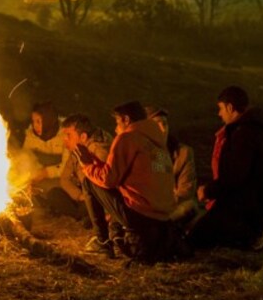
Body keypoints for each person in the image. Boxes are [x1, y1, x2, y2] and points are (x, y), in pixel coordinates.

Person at [77, 101, 178, 262]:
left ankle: (102, 241)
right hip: (162, 216)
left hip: (140, 212)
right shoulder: (157, 142)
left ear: (126, 120)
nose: (115, 129)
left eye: (117, 123)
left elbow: (108, 179)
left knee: (88, 181)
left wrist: (87, 165)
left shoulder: (127, 137)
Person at [188, 86, 263, 250]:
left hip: (243, 215)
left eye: (220, 109)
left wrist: (209, 190)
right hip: (252, 215)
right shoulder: (258, 133)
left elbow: (235, 177)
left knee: (194, 237)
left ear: (230, 107)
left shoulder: (244, 135)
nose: (219, 114)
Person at [56, 114, 117, 256]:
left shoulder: (100, 150)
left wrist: (109, 213)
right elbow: (64, 178)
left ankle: (102, 236)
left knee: (89, 184)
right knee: (55, 194)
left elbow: (112, 185)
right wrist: (80, 196)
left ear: (83, 137)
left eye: (68, 135)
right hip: (88, 198)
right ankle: (90, 217)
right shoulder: (77, 150)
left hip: (110, 204)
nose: (64, 140)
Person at [145, 107, 198, 225]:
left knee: (188, 208)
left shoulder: (183, 153)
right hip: (147, 210)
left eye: (165, 124)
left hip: (171, 208)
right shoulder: (141, 152)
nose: (163, 129)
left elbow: (186, 191)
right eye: (157, 124)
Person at [19, 101, 69, 199]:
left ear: (48, 120)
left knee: (55, 193)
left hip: (63, 175)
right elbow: (24, 157)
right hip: (41, 175)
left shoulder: (66, 134)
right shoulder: (31, 135)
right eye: (33, 121)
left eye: (38, 121)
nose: (35, 126)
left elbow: (67, 166)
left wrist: (46, 172)